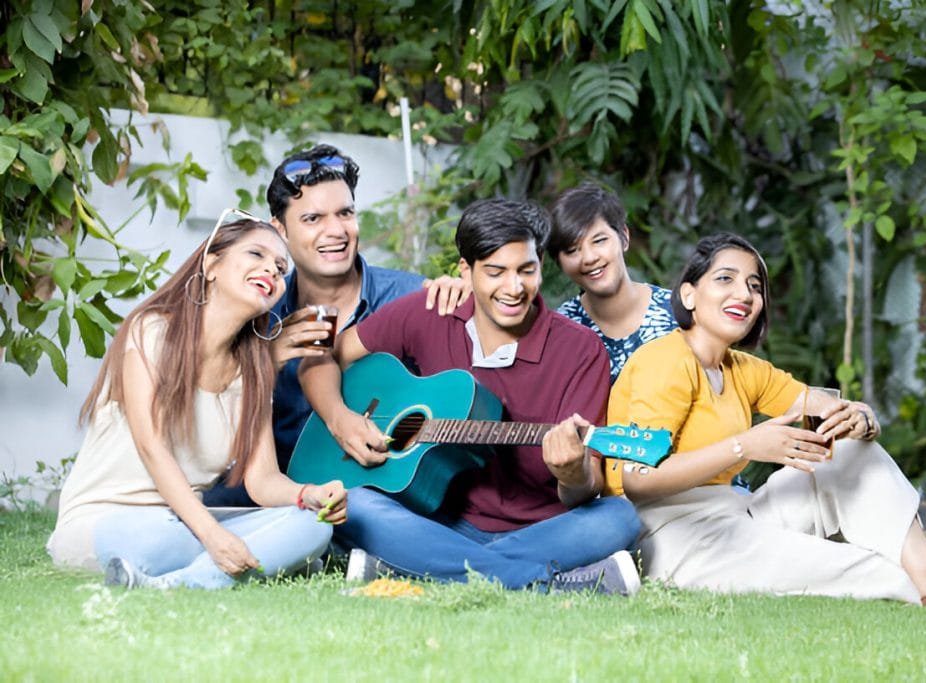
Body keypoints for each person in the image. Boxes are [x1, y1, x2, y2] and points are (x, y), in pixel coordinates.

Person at [606, 232, 926, 605]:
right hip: (674, 537)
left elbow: (824, 405)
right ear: (690, 295)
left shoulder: (741, 367)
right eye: (725, 279)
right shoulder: (665, 362)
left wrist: (861, 420)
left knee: (850, 455)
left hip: (735, 512)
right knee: (855, 567)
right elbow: (639, 480)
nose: (745, 294)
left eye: (755, 286)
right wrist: (745, 446)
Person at [299, 198, 643, 594]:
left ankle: (422, 570)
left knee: (619, 516)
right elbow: (321, 360)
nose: (514, 288)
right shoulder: (428, 312)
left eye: (526, 271)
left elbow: (586, 487)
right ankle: (544, 584)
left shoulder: (581, 351)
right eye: (495, 272)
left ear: (540, 264)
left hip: (543, 528)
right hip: (435, 521)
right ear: (467, 269)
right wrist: (340, 419)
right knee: (353, 506)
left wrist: (573, 472)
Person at [47, 213, 347, 589]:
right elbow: (151, 446)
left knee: (310, 527)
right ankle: (269, 561)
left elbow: (263, 480)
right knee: (162, 539)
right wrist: (212, 535)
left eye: (280, 267)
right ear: (211, 264)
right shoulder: (152, 329)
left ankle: (174, 584)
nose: (271, 270)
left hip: (183, 520)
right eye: (256, 254)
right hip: (108, 523)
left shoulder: (251, 372)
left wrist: (309, 494)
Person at [204, 144, 467, 506]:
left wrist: (474, 300)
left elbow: (461, 392)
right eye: (313, 219)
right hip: (277, 493)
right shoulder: (258, 314)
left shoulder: (411, 299)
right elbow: (205, 401)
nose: (336, 231)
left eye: (345, 213)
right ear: (279, 230)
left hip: (380, 493)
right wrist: (267, 358)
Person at [549, 182, 676, 384]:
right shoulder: (558, 332)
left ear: (624, 238)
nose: (589, 258)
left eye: (599, 240)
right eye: (572, 250)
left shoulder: (677, 312)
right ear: (559, 261)